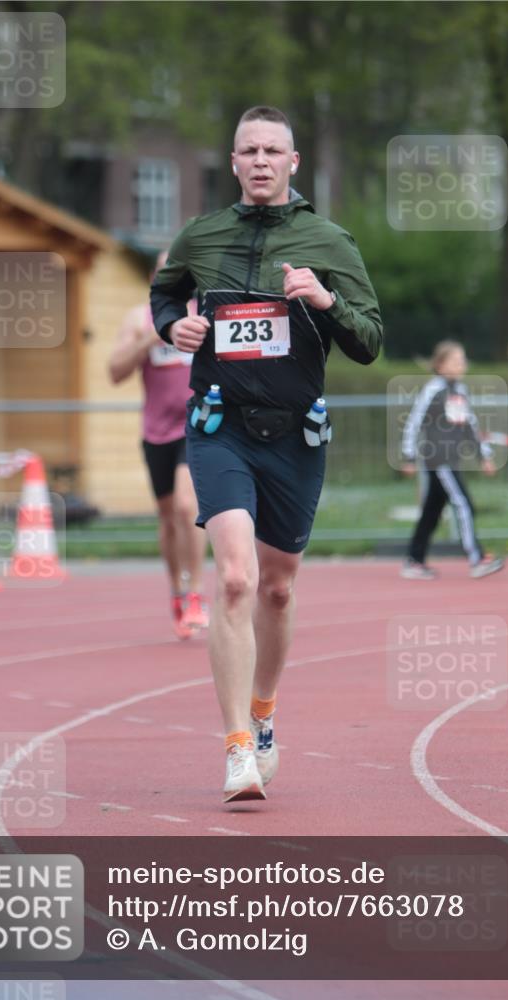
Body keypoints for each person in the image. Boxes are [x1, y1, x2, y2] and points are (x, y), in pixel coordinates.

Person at [150, 106, 382, 802]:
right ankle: (234, 748)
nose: (258, 160)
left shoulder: (328, 240)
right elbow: (164, 293)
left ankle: (263, 714)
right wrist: (175, 326)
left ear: (292, 163)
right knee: (234, 580)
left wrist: (322, 298)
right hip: (217, 425)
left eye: (270, 150)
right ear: (232, 162)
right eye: (247, 150)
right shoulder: (201, 235)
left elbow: (368, 341)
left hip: (293, 436)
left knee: (277, 589)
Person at [109, 251, 209, 640]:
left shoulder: (206, 315)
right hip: (156, 431)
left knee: (188, 508)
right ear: (155, 277)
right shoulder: (139, 319)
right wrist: (152, 336)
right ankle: (177, 591)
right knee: (168, 517)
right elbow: (115, 372)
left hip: (198, 424)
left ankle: (197, 591)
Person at [400, 340, 505, 580]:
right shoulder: (432, 390)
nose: (462, 364)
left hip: (451, 459)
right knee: (464, 504)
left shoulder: (460, 391)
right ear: (439, 365)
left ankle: (413, 561)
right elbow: (413, 423)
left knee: (432, 512)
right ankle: (477, 559)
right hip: (438, 459)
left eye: (463, 360)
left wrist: (484, 455)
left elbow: (470, 425)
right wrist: (408, 456)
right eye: (456, 360)